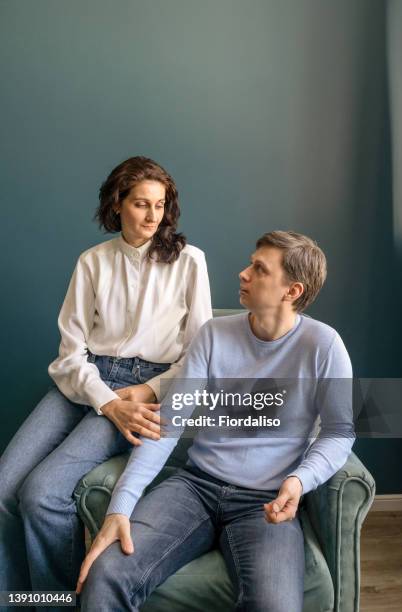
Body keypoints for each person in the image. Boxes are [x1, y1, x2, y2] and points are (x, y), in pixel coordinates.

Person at [77, 230, 355, 612]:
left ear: (292, 291)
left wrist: (299, 480)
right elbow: (167, 426)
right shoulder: (214, 336)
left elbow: (340, 432)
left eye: (259, 269)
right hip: (195, 487)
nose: (243, 273)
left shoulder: (324, 346)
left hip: (265, 502)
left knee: (275, 606)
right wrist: (120, 507)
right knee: (106, 574)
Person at [0, 156, 212, 599]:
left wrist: (146, 391)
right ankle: (24, 603)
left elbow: (198, 356)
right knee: (4, 487)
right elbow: (69, 352)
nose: (153, 215)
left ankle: (61, 604)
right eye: (140, 204)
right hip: (86, 379)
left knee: (41, 494)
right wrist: (107, 400)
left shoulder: (191, 262)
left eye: (160, 204)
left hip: (146, 386)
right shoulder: (92, 262)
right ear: (117, 205)